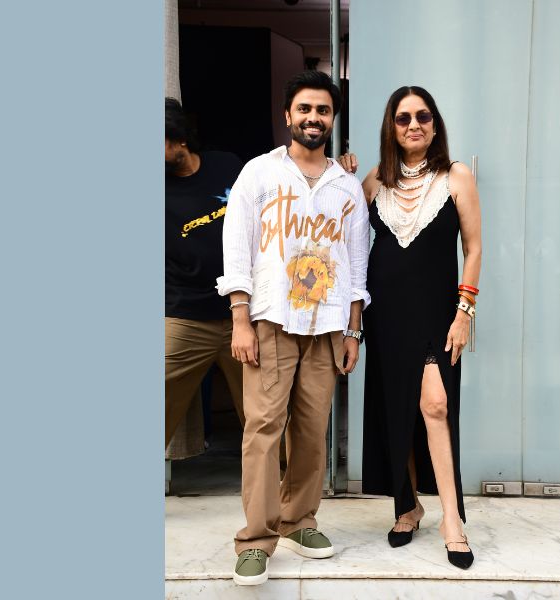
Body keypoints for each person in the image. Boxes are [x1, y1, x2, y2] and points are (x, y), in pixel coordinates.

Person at [217, 71, 370, 586]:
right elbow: (237, 247)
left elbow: (356, 264)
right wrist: (240, 318)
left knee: (311, 428)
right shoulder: (259, 173)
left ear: (333, 118)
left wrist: (353, 331)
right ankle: (255, 540)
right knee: (263, 427)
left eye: (322, 110)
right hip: (272, 319)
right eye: (304, 108)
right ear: (288, 115)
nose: (313, 117)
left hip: (327, 323)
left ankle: (300, 520)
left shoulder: (347, 186)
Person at [338, 86, 482, 569]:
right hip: (386, 313)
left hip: (437, 313)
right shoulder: (376, 179)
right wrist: (343, 176)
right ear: (391, 127)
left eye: (422, 116)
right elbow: (342, 231)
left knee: (435, 405)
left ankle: (452, 520)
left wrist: (464, 312)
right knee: (395, 406)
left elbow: (474, 249)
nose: (413, 124)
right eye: (403, 118)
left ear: (435, 125)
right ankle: (408, 507)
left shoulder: (457, 176)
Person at [165, 97, 246, 450]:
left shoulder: (227, 166)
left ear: (179, 138)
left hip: (243, 315)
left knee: (267, 412)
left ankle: (286, 479)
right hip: (184, 316)